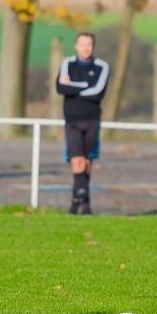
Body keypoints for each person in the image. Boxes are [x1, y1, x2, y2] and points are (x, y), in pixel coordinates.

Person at [56, 31, 110, 215]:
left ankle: (81, 201)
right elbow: (60, 87)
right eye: (82, 44)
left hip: (92, 119)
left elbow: (98, 92)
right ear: (76, 45)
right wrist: (86, 84)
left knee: (87, 160)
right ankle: (80, 194)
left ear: (93, 46)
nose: (85, 48)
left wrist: (73, 87)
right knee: (76, 158)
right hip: (72, 119)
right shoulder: (68, 64)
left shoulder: (102, 66)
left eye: (89, 44)